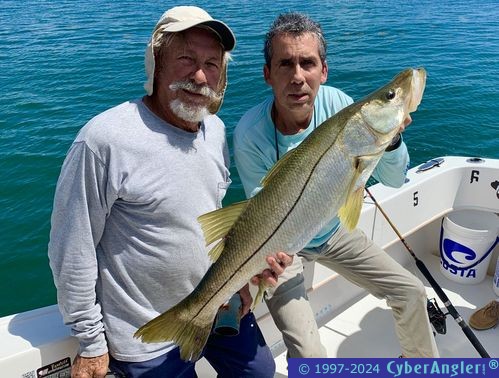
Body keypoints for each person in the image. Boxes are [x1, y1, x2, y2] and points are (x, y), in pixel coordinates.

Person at [48, 6, 292, 378]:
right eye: (185, 59)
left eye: (212, 64)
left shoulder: (215, 131)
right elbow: (71, 250)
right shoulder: (105, 140)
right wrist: (91, 342)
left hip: (216, 302)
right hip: (145, 330)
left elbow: (210, 215)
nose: (199, 75)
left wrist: (243, 277)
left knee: (261, 371)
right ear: (156, 63)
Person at [233, 12, 440, 358]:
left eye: (308, 63)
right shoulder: (249, 133)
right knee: (310, 355)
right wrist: (269, 263)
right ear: (268, 74)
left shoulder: (340, 106)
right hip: (284, 248)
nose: (297, 77)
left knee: (411, 292)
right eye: (285, 64)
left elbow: (393, 179)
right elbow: (261, 210)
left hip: (332, 231)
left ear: (323, 72)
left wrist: (389, 142)